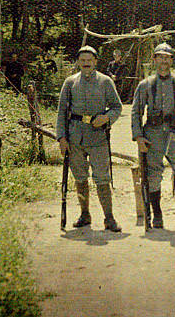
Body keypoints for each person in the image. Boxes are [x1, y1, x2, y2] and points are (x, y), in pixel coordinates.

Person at [131, 42, 175, 230]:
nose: (164, 60)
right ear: (154, 59)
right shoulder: (145, 85)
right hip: (153, 137)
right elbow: (136, 112)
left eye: (167, 57)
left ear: (172, 60)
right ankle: (157, 215)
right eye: (160, 56)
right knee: (153, 176)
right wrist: (139, 137)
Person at [56, 46, 123, 231]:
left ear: (95, 62)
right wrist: (61, 137)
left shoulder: (105, 82)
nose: (86, 63)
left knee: (102, 178)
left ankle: (109, 218)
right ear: (78, 62)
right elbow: (62, 111)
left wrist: (107, 118)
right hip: (75, 137)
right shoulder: (70, 83)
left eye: (89, 60)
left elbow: (117, 107)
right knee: (80, 178)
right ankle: (85, 215)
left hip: (97, 137)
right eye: (82, 60)